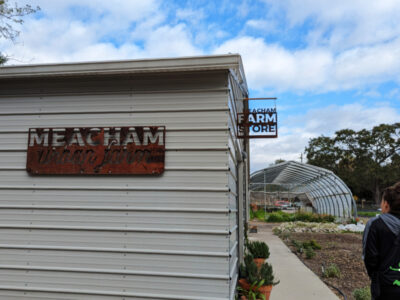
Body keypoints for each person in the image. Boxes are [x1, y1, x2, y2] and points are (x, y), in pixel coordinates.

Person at [363, 182, 400, 300]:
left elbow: (370, 258)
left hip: (384, 286)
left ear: (386, 205)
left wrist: (375, 277)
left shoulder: (375, 225)